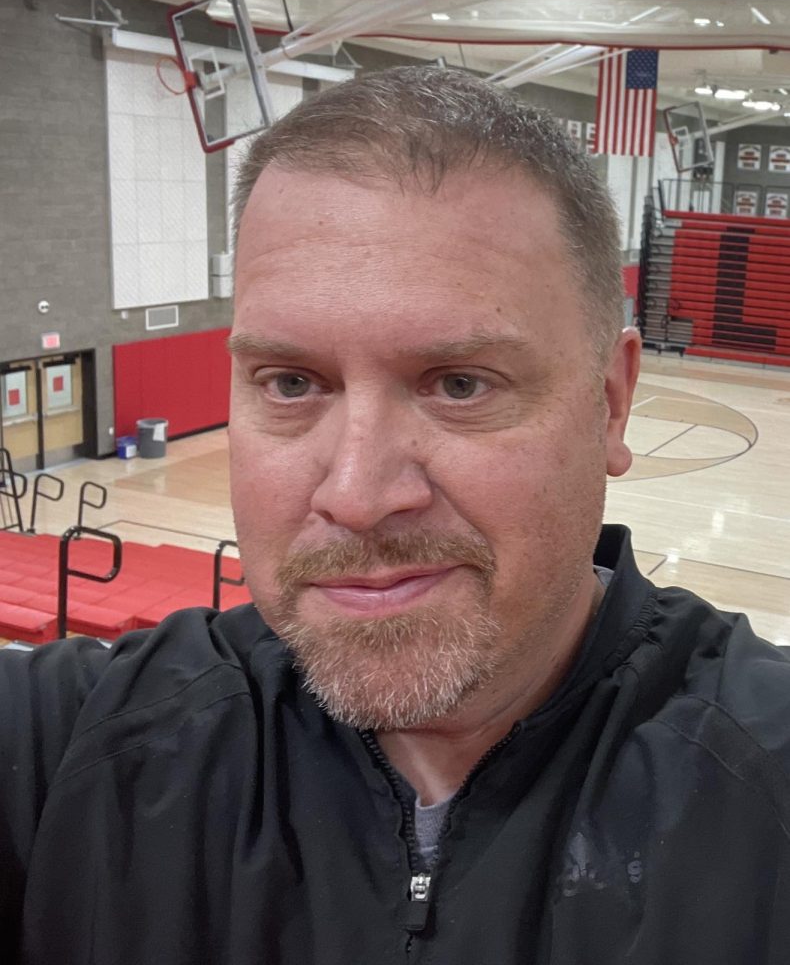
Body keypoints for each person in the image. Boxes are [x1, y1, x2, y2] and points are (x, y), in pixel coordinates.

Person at [1, 66, 789, 965]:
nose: (358, 494)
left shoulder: (764, 786)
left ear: (608, 403)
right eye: (292, 384)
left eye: (459, 385)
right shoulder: (74, 752)